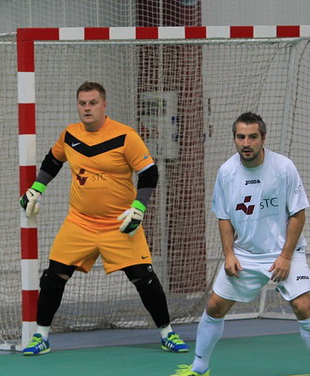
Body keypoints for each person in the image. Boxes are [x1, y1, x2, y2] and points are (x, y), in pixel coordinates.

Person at [163, 112, 310, 376]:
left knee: (303, 306)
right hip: (244, 254)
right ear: (234, 139)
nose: (246, 143)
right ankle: (199, 368)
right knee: (214, 306)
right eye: (241, 137)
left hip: (284, 251)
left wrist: (286, 256)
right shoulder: (227, 172)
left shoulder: (283, 168)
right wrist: (229, 254)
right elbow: (223, 216)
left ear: (263, 139)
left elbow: (298, 214)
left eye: (252, 137)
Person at [20, 81, 188, 356]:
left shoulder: (125, 136)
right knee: (52, 277)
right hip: (79, 222)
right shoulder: (69, 135)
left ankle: (167, 334)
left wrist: (138, 208)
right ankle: (41, 337)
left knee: (144, 278)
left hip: (119, 225)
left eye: (93, 103)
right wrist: (36, 189)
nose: (87, 108)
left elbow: (149, 173)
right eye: (82, 103)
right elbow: (52, 161)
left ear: (104, 105)